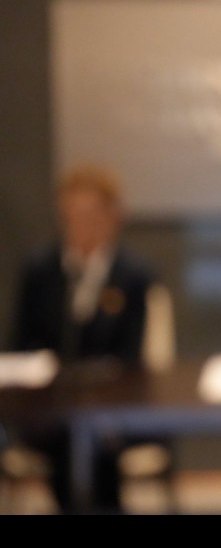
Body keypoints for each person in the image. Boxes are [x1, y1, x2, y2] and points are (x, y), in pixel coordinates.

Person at [6, 163, 175, 513]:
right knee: (64, 436)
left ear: (114, 217)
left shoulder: (133, 274)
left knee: (96, 439)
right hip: (48, 405)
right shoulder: (40, 270)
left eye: (92, 216)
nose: (82, 225)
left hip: (113, 406)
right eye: (73, 216)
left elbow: (132, 356)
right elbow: (19, 345)